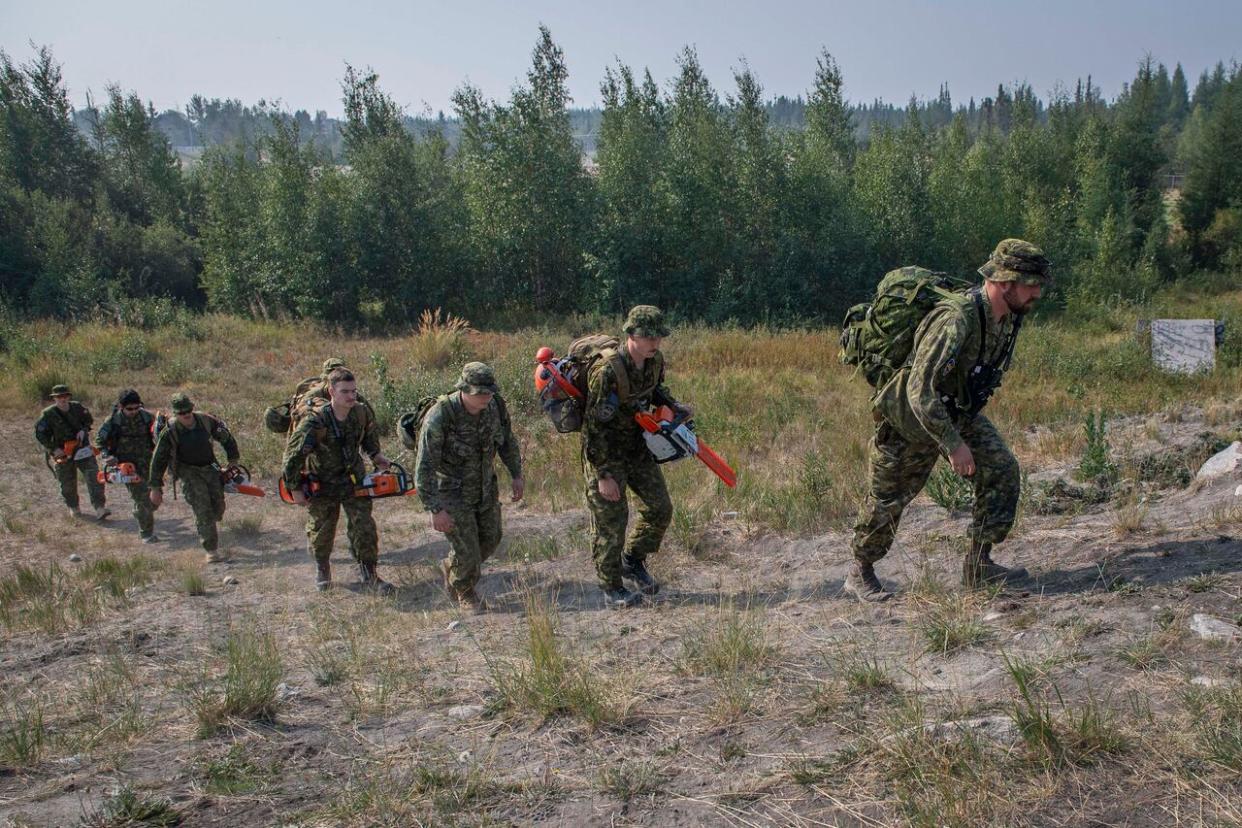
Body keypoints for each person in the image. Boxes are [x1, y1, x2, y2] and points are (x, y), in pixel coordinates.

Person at [845, 239, 1051, 602]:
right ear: (1006, 283)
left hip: (957, 410)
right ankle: (859, 571)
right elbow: (918, 390)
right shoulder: (956, 320)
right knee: (889, 498)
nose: (1038, 292)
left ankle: (979, 564)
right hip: (913, 417)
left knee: (1001, 469)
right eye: (1031, 284)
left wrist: (961, 430)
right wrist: (954, 445)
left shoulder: (1006, 318)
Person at [583, 305, 690, 608]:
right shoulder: (607, 371)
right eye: (647, 337)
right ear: (631, 335)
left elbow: (654, 391)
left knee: (660, 508)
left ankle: (633, 560)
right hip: (606, 452)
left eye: (658, 336)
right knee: (612, 521)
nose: (654, 343)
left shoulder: (654, 362)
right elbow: (594, 427)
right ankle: (611, 585)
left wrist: (673, 406)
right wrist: (603, 474)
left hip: (637, 447)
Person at [415, 362, 524, 613]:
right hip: (452, 493)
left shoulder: (495, 406)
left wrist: (516, 474)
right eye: (480, 393)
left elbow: (507, 440)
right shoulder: (441, 415)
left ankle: (453, 567)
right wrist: (434, 509)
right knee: (469, 552)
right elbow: (424, 467)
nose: (486, 397)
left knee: (491, 539)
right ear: (463, 389)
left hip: (485, 487)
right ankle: (465, 592)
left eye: (489, 392)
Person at [283, 368, 395, 594]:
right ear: (331, 391)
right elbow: (292, 457)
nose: (351, 396)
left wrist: (376, 456)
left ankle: (369, 573)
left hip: (354, 479)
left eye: (354, 391)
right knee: (322, 530)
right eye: (345, 392)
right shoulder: (315, 422)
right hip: (322, 483)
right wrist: (295, 488)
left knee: (364, 527)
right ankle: (322, 569)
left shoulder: (361, 413)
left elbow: (369, 438)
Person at [149, 393, 240, 563]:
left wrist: (233, 460)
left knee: (218, 507)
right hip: (188, 472)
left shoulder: (206, 421)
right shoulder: (170, 431)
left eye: (188, 410)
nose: (186, 414)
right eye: (182, 412)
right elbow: (158, 460)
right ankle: (211, 550)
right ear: (176, 413)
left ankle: (207, 525)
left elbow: (226, 438)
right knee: (202, 509)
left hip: (210, 468)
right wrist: (155, 487)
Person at [35, 384, 109, 519]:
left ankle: (100, 507)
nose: (62, 399)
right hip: (63, 452)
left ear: (69, 396)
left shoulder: (77, 408)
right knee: (67, 483)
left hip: (82, 449)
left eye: (65, 396)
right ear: (54, 398)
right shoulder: (48, 414)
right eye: (59, 397)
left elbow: (88, 421)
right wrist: (54, 448)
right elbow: (40, 434)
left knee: (94, 477)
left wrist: (83, 430)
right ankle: (74, 507)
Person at [95, 389, 158, 542]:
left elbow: (159, 436)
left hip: (148, 463)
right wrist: (106, 456)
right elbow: (100, 441)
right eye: (130, 409)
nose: (134, 411)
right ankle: (146, 533)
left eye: (137, 408)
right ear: (121, 407)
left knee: (155, 498)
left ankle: (140, 512)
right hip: (126, 466)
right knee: (142, 498)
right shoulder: (112, 422)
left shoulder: (146, 417)